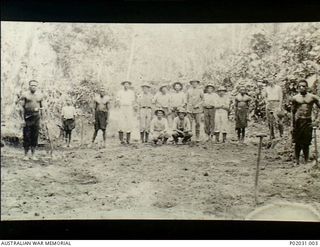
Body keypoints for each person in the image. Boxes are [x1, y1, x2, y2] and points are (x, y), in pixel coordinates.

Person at [291, 80, 320, 166]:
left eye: (303, 86)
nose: (302, 88)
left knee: (306, 142)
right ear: (297, 88)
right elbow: (292, 112)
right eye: (300, 86)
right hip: (298, 121)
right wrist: (292, 125)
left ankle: (306, 160)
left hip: (308, 121)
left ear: (307, 87)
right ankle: (297, 161)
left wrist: (317, 120)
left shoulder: (312, 97)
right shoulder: (295, 98)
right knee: (297, 142)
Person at [19, 80, 44, 160]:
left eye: (35, 85)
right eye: (32, 85)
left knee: (35, 135)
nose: (33, 87)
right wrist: (22, 119)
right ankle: (26, 155)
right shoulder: (25, 95)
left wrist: (43, 119)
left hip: (36, 117)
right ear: (29, 86)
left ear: (37, 86)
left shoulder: (40, 95)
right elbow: (21, 108)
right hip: (27, 117)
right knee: (26, 135)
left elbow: (42, 108)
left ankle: (33, 155)